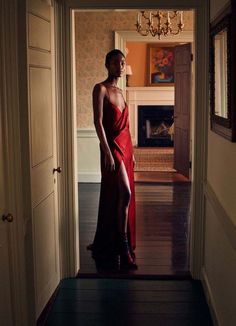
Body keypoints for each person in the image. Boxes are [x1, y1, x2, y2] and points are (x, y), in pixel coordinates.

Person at [88, 49, 137, 270]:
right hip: (111, 148)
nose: (120, 66)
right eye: (115, 62)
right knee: (124, 192)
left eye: (122, 62)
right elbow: (98, 122)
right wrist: (106, 151)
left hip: (126, 147)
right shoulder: (101, 89)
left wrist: (132, 153)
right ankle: (123, 246)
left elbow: (126, 126)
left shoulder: (121, 90)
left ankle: (117, 239)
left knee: (119, 194)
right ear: (107, 64)